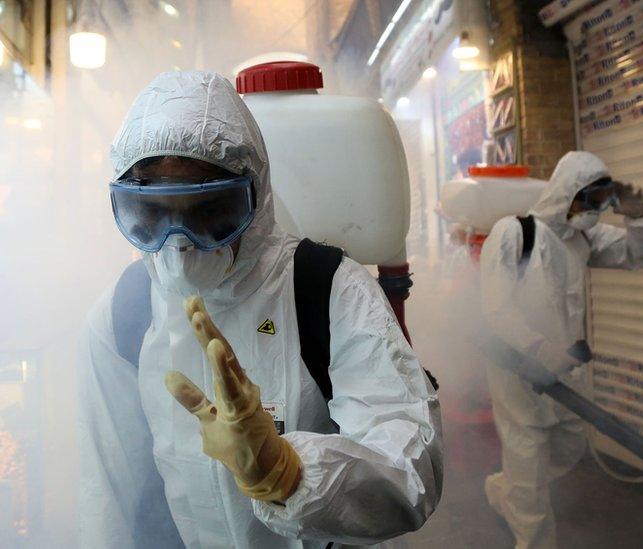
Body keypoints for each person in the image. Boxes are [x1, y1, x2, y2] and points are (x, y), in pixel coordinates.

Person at [77, 70, 443, 548]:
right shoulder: (122, 314)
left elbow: (411, 469)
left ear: (256, 194)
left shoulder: (324, 289)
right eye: (151, 214)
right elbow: (108, 489)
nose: (179, 245)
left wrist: (288, 473)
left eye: (207, 210)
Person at [479, 151, 643, 549]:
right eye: (590, 201)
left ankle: (504, 490)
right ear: (567, 193)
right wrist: (538, 348)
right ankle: (533, 537)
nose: (595, 211)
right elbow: (495, 306)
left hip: (566, 369)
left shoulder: (581, 239)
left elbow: (637, 253)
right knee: (528, 461)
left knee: (569, 442)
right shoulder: (514, 233)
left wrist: (639, 215)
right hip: (520, 369)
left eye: (602, 202)